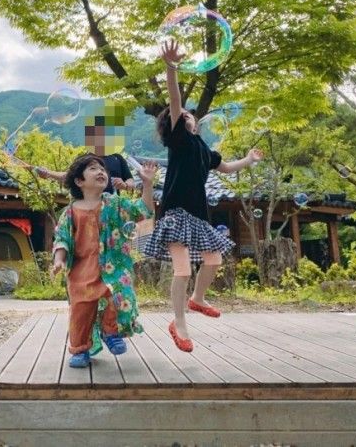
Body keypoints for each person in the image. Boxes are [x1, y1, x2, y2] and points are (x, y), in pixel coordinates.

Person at [144, 41, 263, 352]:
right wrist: (171, 68)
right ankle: (178, 322)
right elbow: (173, 98)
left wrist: (248, 159)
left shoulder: (204, 150)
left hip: (198, 217)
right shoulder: (180, 139)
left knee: (214, 259)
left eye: (188, 114)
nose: (187, 114)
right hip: (175, 214)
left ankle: (197, 299)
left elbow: (226, 168)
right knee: (182, 269)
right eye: (182, 114)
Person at [50, 153, 158, 368]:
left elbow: (143, 211)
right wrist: (59, 260)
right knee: (81, 313)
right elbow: (61, 238)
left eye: (103, 169)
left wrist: (147, 184)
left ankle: (111, 331)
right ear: (79, 181)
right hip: (81, 272)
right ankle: (80, 349)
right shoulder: (70, 212)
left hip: (113, 268)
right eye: (92, 168)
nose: (101, 171)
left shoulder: (115, 203)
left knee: (119, 294)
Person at [37, 119, 137, 194]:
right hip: (86, 206)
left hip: (112, 210)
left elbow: (131, 181)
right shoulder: (82, 159)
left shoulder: (117, 158)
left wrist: (125, 185)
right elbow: (68, 176)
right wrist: (48, 173)